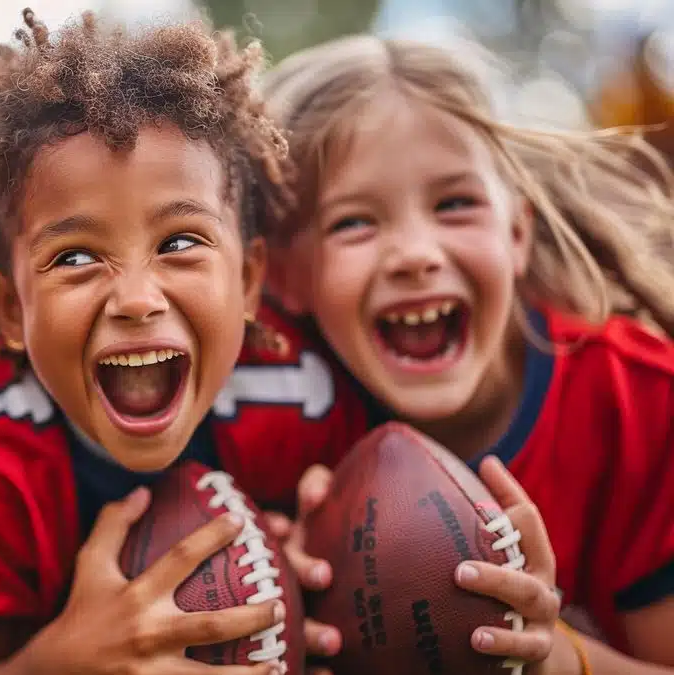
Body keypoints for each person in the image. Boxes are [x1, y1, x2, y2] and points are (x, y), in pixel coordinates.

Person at [0, 8, 418, 674]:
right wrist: (57, 662)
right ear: (8, 309)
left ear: (250, 280)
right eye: (76, 257)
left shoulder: (300, 388)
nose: (137, 299)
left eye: (180, 242)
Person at [262, 35, 674, 673]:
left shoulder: (640, 400)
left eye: (455, 204)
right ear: (287, 276)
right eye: (354, 222)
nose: (416, 253)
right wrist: (279, 593)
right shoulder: (272, 407)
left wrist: (552, 655)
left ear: (516, 231)